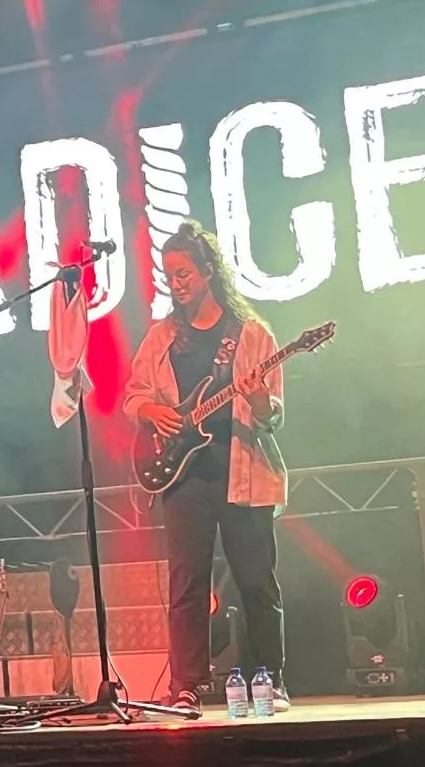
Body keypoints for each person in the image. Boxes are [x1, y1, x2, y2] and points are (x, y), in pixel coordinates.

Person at [122, 221, 289, 718]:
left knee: (257, 581)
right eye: (169, 275)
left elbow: (274, 416)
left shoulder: (252, 335)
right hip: (184, 479)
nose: (175, 284)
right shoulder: (161, 338)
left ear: (209, 271)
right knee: (187, 587)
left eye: (184, 274)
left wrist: (259, 400)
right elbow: (133, 396)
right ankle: (187, 685)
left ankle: (270, 679)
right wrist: (151, 412)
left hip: (244, 474)